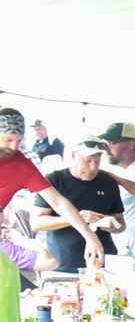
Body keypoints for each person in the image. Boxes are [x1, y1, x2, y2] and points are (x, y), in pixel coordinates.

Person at [0, 109, 101, 269]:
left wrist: (89, 236)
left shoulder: (22, 165)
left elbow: (58, 202)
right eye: (8, 140)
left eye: (19, 141)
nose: (13, 147)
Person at [31, 139, 126, 272]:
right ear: (74, 156)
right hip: (63, 263)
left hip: (102, 262)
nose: (93, 168)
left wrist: (112, 224)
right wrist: (75, 219)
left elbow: (121, 224)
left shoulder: (108, 182)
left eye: (97, 162)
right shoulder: (54, 180)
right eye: (88, 161)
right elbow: (36, 223)